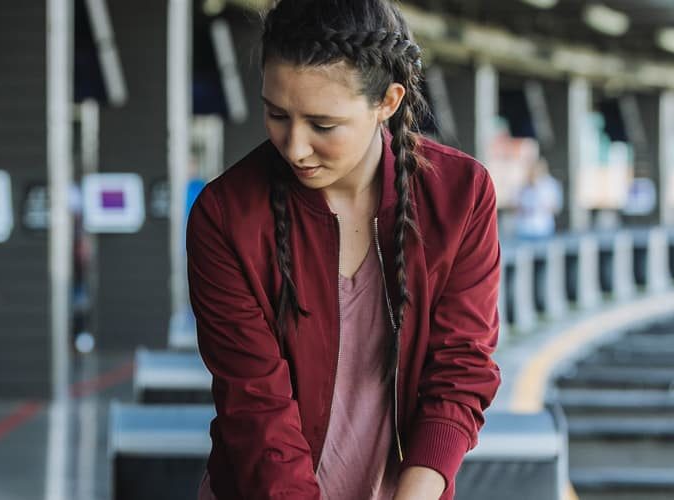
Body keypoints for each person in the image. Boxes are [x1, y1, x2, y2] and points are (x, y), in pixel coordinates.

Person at [186, 1, 501, 499]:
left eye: (323, 125)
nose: (294, 147)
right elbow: (255, 407)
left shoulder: (461, 196)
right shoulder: (226, 216)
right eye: (276, 114)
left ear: (388, 102)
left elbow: (460, 370)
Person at [513, 157, 562, 240]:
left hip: (544, 229)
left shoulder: (550, 184)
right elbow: (514, 206)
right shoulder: (521, 186)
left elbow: (556, 208)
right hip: (524, 230)